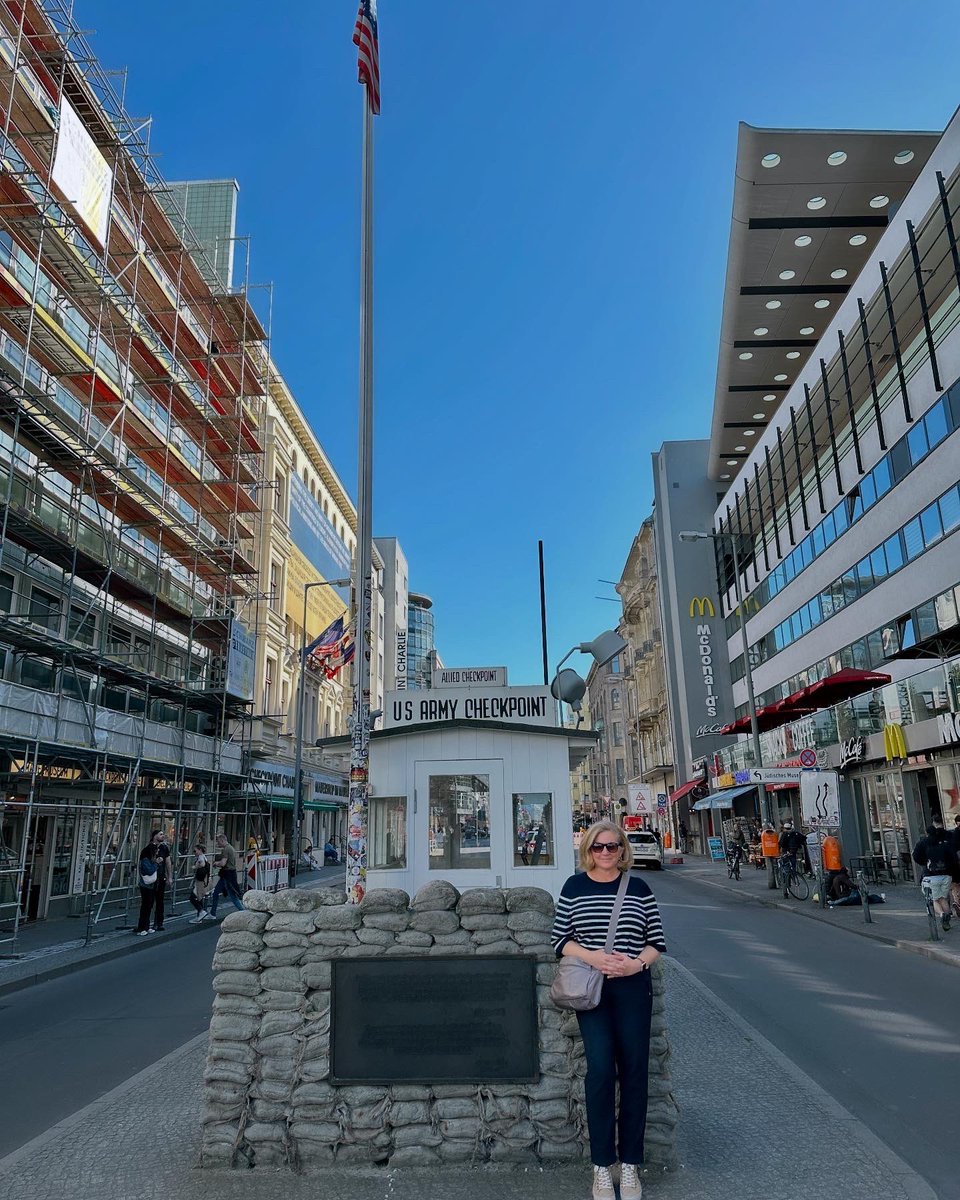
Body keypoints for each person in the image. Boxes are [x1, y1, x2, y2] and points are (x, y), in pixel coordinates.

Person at [551, 821, 667, 1200]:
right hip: (592, 990)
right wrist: (595, 958)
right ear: (588, 849)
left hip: (633, 988)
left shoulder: (639, 887)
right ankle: (602, 1166)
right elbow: (560, 940)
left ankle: (630, 1166)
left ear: (622, 850)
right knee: (600, 1070)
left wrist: (636, 965)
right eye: (598, 847)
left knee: (635, 1072)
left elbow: (656, 942)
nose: (605, 853)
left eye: (612, 847)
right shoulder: (574, 886)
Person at [912, 823, 958, 932]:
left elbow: (916, 856)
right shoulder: (944, 843)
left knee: (934, 899)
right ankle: (947, 917)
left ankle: (942, 915)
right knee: (942, 898)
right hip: (946, 876)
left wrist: (924, 862)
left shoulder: (923, 843)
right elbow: (953, 857)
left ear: (926, 833)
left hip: (931, 876)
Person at [209, 833, 244, 919]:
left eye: (218, 842)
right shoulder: (231, 848)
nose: (218, 844)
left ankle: (243, 912)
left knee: (232, 895)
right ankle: (212, 913)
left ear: (222, 840)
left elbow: (223, 863)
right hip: (229, 874)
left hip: (227, 875)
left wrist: (216, 863)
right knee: (216, 892)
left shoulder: (226, 850)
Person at [148, 829, 171, 932]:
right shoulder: (149, 848)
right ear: (154, 836)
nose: (163, 836)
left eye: (163, 834)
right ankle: (147, 924)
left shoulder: (164, 848)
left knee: (160, 901)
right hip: (151, 877)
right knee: (149, 901)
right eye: (160, 834)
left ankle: (159, 922)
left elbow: (168, 862)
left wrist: (169, 876)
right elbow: (145, 862)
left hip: (161, 877)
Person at [134, 843, 158, 936]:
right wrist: (156, 863)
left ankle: (146, 927)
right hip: (145, 886)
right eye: (156, 851)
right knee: (145, 906)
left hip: (149, 885)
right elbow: (149, 870)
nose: (157, 853)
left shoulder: (149, 860)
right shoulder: (145, 860)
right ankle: (141, 928)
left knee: (149, 906)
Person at [188, 843, 211, 922]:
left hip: (200, 881)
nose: (194, 853)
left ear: (200, 850)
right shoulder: (204, 857)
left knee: (193, 897)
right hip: (203, 880)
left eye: (195, 851)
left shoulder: (201, 857)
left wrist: (195, 866)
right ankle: (200, 916)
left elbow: (202, 864)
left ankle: (201, 912)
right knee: (199, 898)